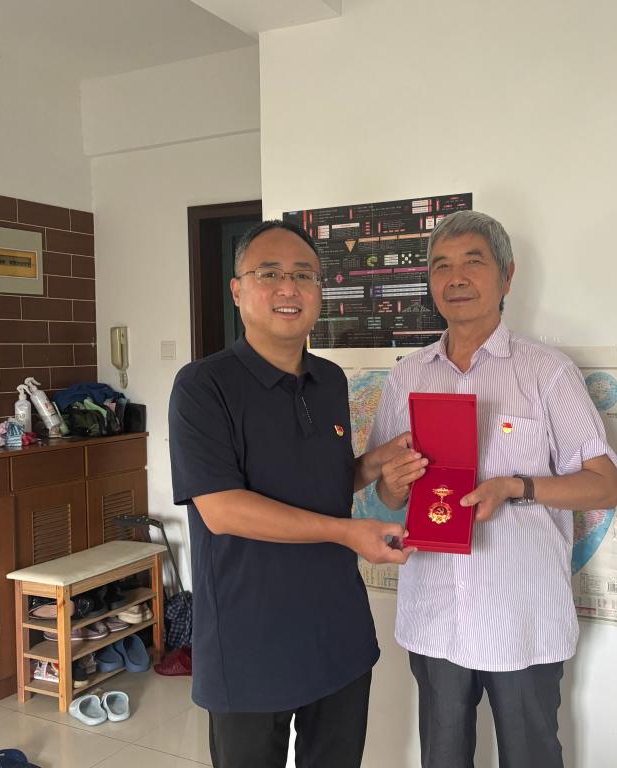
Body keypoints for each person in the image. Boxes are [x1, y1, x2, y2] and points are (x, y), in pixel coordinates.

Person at [369, 210, 617, 768]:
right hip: (435, 614)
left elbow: (605, 485)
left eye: (472, 262)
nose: (455, 278)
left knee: (530, 757)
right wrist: (392, 484)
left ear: (506, 276)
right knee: (442, 757)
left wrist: (515, 487)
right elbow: (387, 495)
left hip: (520, 615)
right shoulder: (408, 375)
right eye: (441, 266)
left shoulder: (547, 372)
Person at [168, 220, 414, 768]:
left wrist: (371, 465)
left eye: (304, 275)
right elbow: (222, 509)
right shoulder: (203, 386)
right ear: (238, 290)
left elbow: (320, 484)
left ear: (320, 292)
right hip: (249, 641)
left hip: (337, 632)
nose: (289, 287)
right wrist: (348, 533)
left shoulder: (331, 381)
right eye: (270, 273)